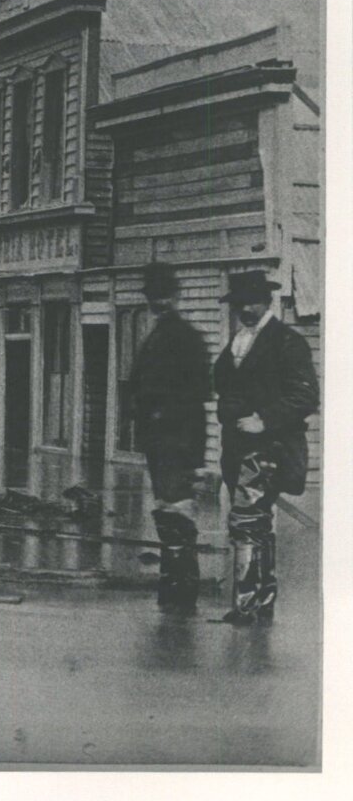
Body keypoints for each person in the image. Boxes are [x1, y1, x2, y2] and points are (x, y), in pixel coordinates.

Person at [211, 268, 318, 626]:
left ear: (268, 300)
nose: (245, 308)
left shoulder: (287, 341)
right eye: (239, 303)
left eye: (252, 301)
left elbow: (305, 395)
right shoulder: (240, 340)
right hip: (238, 448)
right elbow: (226, 384)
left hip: (270, 446)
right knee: (254, 524)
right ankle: (261, 600)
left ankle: (246, 605)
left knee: (246, 521)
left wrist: (265, 420)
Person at [125, 261, 212, 615]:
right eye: (154, 297)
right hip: (159, 442)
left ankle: (180, 589)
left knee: (177, 513)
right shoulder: (155, 336)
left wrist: (166, 418)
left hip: (178, 439)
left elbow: (199, 392)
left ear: (176, 296)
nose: (159, 302)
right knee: (167, 512)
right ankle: (173, 583)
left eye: (164, 295)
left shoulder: (185, 338)